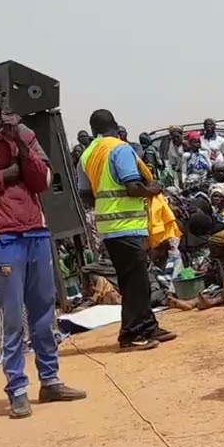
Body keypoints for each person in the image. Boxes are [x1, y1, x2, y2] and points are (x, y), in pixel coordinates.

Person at [0, 78, 86, 417]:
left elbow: (42, 180)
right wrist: (6, 174)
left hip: (35, 231)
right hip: (0, 235)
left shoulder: (24, 134)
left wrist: (21, 149)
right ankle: (17, 388)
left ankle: (50, 380)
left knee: (44, 312)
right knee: (13, 316)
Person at [79, 109, 177, 352]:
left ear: (93, 131)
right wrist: (152, 188)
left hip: (108, 225)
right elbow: (133, 186)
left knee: (135, 279)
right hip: (127, 224)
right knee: (135, 281)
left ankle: (147, 325)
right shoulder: (120, 149)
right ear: (116, 126)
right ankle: (130, 334)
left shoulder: (88, 154)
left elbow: (84, 193)